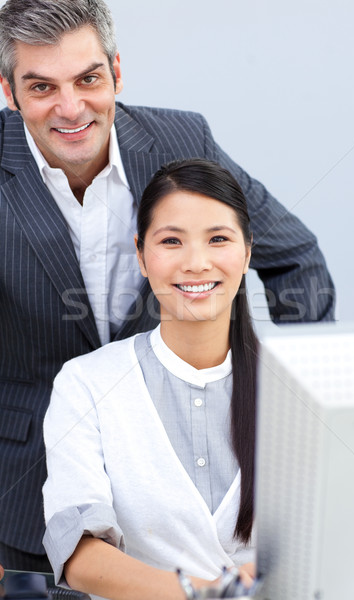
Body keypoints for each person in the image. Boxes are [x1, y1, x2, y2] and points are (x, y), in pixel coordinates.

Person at [0, 0, 335, 572]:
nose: (71, 107)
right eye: (41, 87)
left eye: (88, 78)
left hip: (173, 483)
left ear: (117, 71)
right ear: (9, 92)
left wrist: (286, 410)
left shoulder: (181, 138)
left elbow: (294, 257)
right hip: (24, 488)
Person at [42, 159, 258, 600]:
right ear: (141, 255)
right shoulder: (85, 383)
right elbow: (79, 552)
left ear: (247, 252)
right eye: (171, 241)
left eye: (218, 239)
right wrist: (210, 593)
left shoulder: (302, 383)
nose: (196, 263)